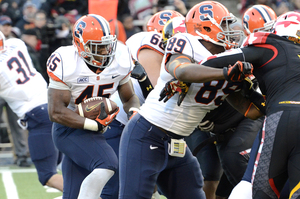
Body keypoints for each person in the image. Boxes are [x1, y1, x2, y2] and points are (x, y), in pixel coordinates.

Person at [118, 1, 262, 199]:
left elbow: (250, 111)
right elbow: (182, 70)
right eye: (225, 25)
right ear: (205, 27)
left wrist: (263, 99)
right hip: (147, 134)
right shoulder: (187, 42)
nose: (231, 31)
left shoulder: (229, 59)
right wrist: (226, 73)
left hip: (177, 142)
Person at [173, 10, 300, 199]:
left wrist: (183, 76)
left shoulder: (272, 45)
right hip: (275, 114)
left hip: (282, 116)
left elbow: (212, 62)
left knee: (260, 189)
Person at [47, 14, 140, 199]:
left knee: (72, 194)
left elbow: (129, 97)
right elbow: (55, 112)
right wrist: (94, 125)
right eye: (98, 47)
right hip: (68, 128)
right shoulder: (66, 61)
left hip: (96, 128)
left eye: (107, 45)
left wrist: (134, 113)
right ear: (80, 45)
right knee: (107, 163)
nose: (105, 51)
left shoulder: (120, 57)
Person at [102, 11, 185, 199]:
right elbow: (157, 94)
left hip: (143, 121)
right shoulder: (151, 42)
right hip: (123, 119)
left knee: (154, 181)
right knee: (115, 188)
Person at [0, 30, 63, 190]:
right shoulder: (16, 44)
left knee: (47, 175)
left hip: (38, 116)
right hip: (54, 105)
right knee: (63, 164)